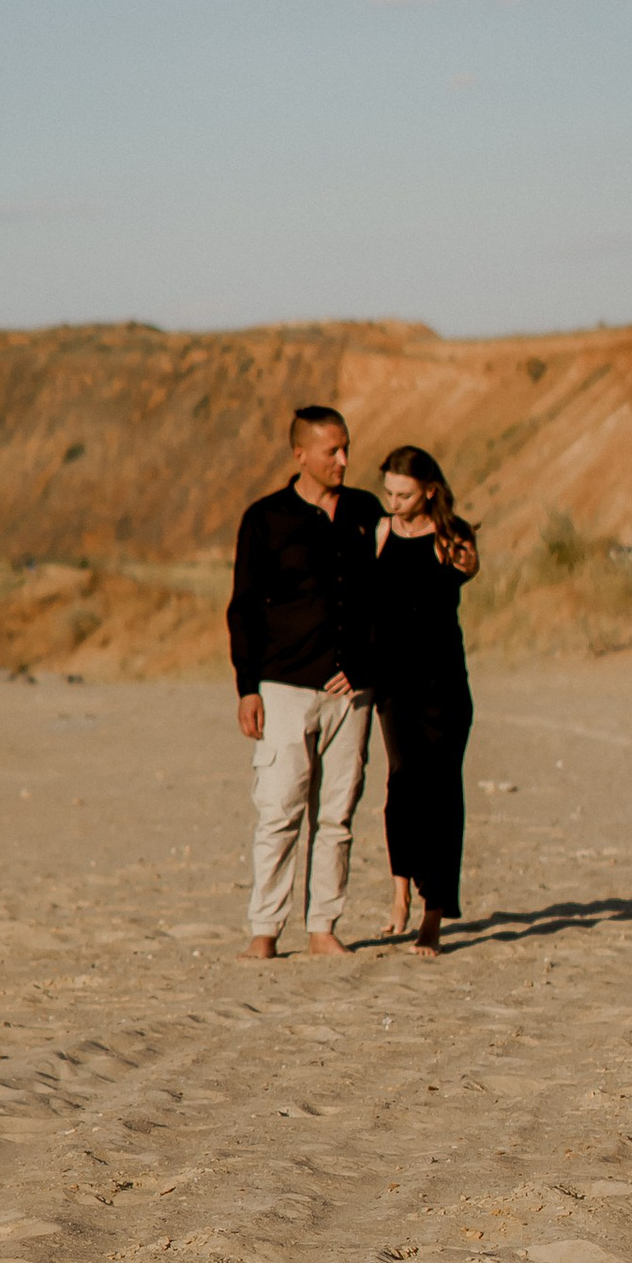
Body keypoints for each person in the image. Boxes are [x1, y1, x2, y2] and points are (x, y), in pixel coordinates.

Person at [227, 403, 381, 960]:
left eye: (346, 448)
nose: (343, 459)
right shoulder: (265, 519)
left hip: (351, 693)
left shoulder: (365, 510)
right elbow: (243, 608)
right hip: (285, 688)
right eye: (331, 451)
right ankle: (264, 932)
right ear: (301, 455)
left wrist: (366, 667)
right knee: (280, 813)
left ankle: (323, 929)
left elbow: (384, 600)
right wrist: (248, 687)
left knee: (337, 816)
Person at [370, 443, 477, 956]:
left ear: (429, 489)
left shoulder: (452, 538)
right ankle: (399, 895)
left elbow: (468, 571)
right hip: (394, 685)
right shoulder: (382, 532)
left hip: (443, 686)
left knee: (440, 794)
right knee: (400, 784)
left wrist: (461, 550)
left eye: (404, 493)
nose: (394, 501)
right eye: (388, 491)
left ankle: (434, 912)